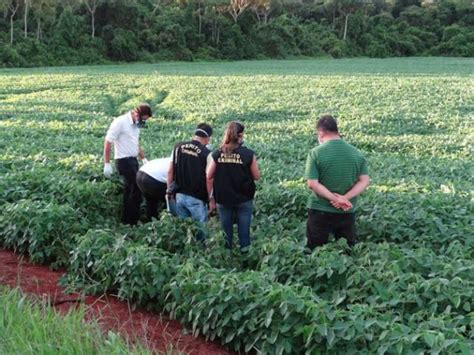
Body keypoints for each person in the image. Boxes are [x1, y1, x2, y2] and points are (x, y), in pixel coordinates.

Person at [305, 114, 370, 250]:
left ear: (320, 133)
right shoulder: (356, 153)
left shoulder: (315, 153)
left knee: (314, 249)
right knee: (347, 250)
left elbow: (312, 183)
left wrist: (333, 198)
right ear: (337, 131)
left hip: (320, 208)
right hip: (346, 209)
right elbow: (364, 181)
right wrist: (344, 199)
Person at [206, 121, 260, 251]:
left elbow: (209, 174)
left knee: (226, 231)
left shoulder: (218, 153)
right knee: (244, 231)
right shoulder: (248, 154)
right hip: (244, 197)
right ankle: (245, 257)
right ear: (240, 135)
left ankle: (227, 255)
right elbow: (257, 176)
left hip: (223, 197)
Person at [103, 103, 152, 225]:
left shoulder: (136, 125)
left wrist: (143, 158)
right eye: (143, 119)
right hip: (123, 161)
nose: (143, 122)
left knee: (129, 190)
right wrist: (107, 163)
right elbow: (108, 142)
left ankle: (126, 220)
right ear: (136, 114)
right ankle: (132, 221)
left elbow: (135, 142)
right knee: (137, 188)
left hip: (133, 160)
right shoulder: (120, 122)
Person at [167, 123, 213, 241]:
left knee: (185, 230)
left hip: (180, 195)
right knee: (201, 230)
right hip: (197, 198)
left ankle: (186, 253)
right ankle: (202, 254)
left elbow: (170, 171)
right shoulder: (207, 153)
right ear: (207, 138)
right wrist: (210, 197)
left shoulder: (178, 147)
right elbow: (208, 178)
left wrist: (169, 190)